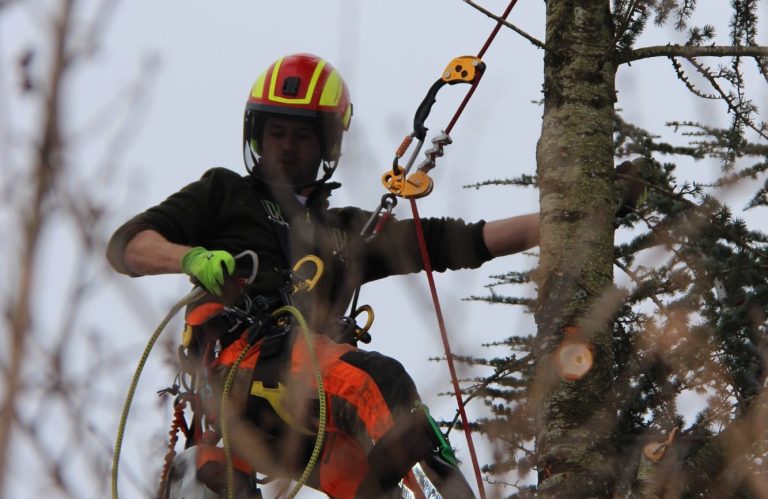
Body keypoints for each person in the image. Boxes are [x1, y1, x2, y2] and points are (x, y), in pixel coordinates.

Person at [107, 53, 539, 498]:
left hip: (310, 409)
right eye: (276, 133)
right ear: (257, 134)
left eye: (302, 136)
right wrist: (191, 258)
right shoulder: (226, 193)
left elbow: (465, 240)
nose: (287, 147)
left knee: (383, 477)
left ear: (327, 146)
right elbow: (127, 246)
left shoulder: (342, 233)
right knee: (377, 383)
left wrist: (561, 221)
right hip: (246, 364)